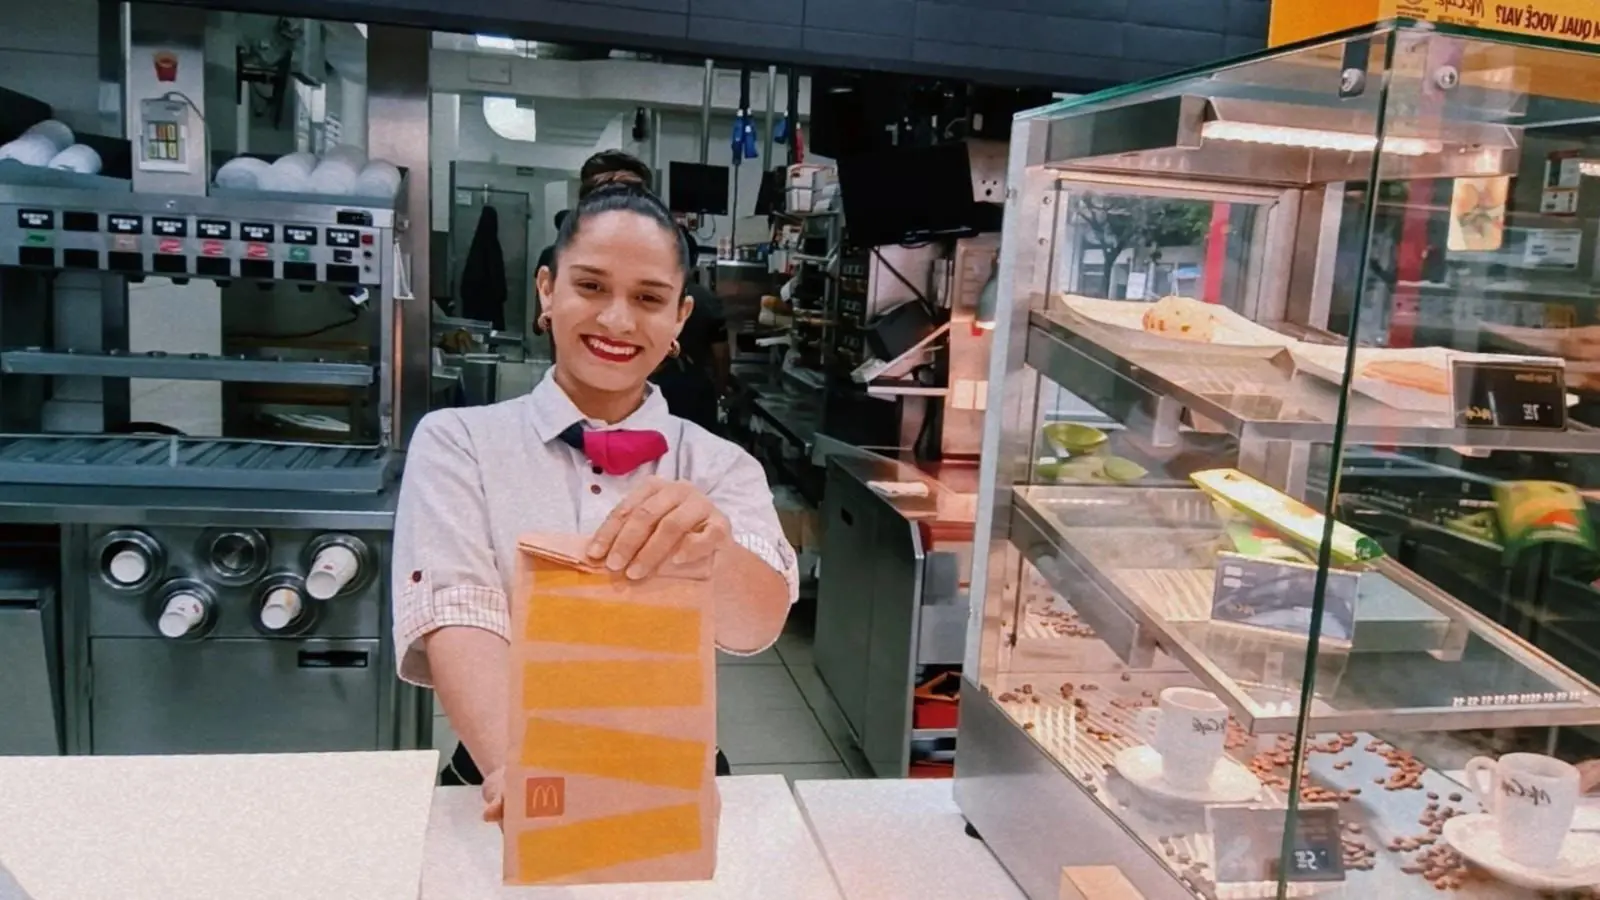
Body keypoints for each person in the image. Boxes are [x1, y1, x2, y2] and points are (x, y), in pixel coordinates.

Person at [392, 184, 798, 822]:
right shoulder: (460, 443)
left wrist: (711, 548)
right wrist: (514, 766)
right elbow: (459, 614)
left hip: (668, 775)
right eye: (590, 286)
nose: (617, 321)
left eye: (648, 298)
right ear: (547, 290)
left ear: (680, 318)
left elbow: (756, 627)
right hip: (503, 769)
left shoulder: (718, 466)